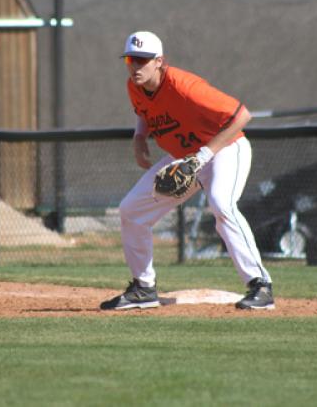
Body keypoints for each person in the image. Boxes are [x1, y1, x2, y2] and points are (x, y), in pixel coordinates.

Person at [100, 31, 274, 311]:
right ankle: (143, 288)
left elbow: (242, 115)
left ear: (160, 61)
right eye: (131, 59)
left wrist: (204, 155)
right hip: (185, 158)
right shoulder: (135, 86)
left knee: (221, 205)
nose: (136, 66)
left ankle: (260, 285)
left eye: (143, 60)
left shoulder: (184, 86)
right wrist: (139, 138)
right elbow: (143, 111)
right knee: (131, 210)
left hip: (226, 149)